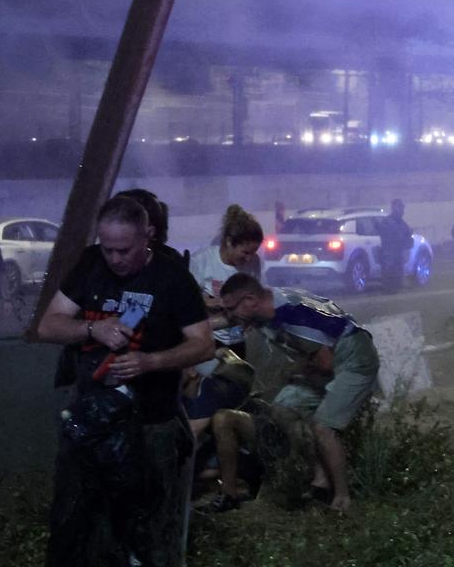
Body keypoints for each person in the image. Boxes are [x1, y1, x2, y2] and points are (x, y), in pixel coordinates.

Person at [35, 196, 213, 567]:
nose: (114, 258)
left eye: (124, 250)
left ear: (147, 237)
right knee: (79, 521)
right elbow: (48, 325)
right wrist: (91, 328)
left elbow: (203, 344)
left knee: (150, 526)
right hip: (91, 418)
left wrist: (151, 361)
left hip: (152, 420)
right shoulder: (89, 264)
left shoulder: (171, 276)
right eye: (108, 248)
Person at [209, 274, 379, 513]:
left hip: (352, 358)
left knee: (324, 427)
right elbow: (228, 320)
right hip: (326, 356)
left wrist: (294, 371)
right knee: (282, 409)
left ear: (249, 301)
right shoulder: (266, 305)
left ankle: (341, 496)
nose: (229, 315)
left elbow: (325, 363)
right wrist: (195, 327)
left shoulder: (294, 319)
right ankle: (313, 476)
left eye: (231, 309)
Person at [188, 204, 263, 356]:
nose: (249, 258)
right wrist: (209, 302)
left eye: (253, 253)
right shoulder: (201, 261)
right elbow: (185, 302)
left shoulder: (254, 262)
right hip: (209, 339)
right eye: (245, 252)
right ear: (229, 242)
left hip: (240, 339)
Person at [379, 199, 413, 291]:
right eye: (400, 207)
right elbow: (388, 236)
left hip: (398, 252)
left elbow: (408, 234)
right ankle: (389, 288)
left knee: (397, 271)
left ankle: (396, 286)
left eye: (402, 207)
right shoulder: (388, 222)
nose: (402, 210)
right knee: (389, 271)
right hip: (390, 252)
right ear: (393, 208)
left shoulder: (401, 222)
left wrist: (408, 240)